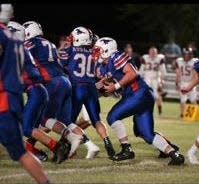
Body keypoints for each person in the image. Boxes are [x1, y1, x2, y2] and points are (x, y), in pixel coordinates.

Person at [92, 37, 185, 165]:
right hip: (141, 96)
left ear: (108, 50)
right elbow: (110, 90)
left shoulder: (116, 57)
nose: (96, 53)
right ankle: (174, 154)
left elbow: (132, 73)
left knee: (112, 117)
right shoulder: (104, 67)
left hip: (138, 93)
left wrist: (116, 86)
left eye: (98, 50)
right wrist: (102, 91)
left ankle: (127, 149)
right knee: (145, 134)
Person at [22, 21, 91, 163]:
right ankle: (69, 142)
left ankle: (68, 140)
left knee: (41, 119)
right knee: (55, 120)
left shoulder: (28, 44)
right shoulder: (50, 44)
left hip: (51, 83)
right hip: (64, 81)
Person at [0, 4, 50, 183]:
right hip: (14, 95)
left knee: (20, 149)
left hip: (3, 98)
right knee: (20, 150)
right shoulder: (15, 39)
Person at [58, 26, 115, 159]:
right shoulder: (93, 52)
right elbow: (99, 71)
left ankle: (72, 149)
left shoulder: (70, 50)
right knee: (96, 120)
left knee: (69, 122)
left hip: (76, 87)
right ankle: (107, 143)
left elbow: (58, 64)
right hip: (91, 88)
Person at [140, 46, 166, 115]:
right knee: (145, 94)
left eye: (154, 52)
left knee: (156, 95)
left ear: (157, 53)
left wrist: (162, 80)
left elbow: (163, 71)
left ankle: (159, 107)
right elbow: (142, 69)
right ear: (149, 52)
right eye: (151, 52)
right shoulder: (145, 58)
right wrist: (140, 78)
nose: (153, 53)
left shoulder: (160, 58)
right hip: (147, 78)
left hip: (156, 79)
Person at [175, 47, 197, 118]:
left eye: (188, 54)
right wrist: (177, 82)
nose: (186, 56)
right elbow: (178, 73)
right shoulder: (179, 61)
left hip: (191, 82)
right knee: (183, 99)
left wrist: (194, 83)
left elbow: (195, 73)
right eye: (185, 54)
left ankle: (193, 115)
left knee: (193, 99)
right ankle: (182, 114)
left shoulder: (194, 61)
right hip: (184, 82)